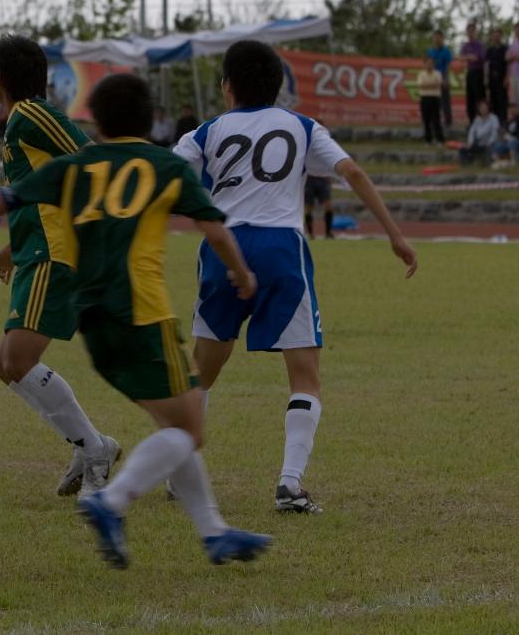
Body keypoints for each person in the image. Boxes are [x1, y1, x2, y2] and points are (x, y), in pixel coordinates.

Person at [0, 73, 272, 570]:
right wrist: (242, 274)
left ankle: (213, 532)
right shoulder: (165, 165)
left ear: (96, 122)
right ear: (150, 119)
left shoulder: (76, 167)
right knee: (188, 428)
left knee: (175, 423)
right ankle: (112, 500)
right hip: (143, 314)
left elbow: (0, 200)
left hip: (92, 320)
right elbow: (214, 227)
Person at [175, 40, 417, 514]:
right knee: (305, 375)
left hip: (222, 246)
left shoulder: (206, 132)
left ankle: (175, 466)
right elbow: (354, 173)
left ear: (227, 85)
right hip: (281, 248)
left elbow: (163, 175)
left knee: (203, 370)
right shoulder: (302, 126)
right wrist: (395, 235)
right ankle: (289, 483)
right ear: (280, 86)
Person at [0, 35, 120, 498]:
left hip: (54, 253)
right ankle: (88, 445)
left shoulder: (30, 113)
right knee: (7, 364)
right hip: (36, 250)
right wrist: (12, 247)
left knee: (16, 360)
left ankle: (96, 448)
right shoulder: (19, 124)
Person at [459, 100, 501, 166]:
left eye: (484, 107)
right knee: (463, 148)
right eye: (481, 108)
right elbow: (471, 132)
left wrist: (489, 142)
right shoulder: (477, 119)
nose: (483, 109)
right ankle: (466, 164)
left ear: (488, 108)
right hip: (478, 143)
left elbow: (495, 132)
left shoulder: (494, 118)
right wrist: (470, 142)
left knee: (491, 149)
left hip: (489, 144)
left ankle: (488, 163)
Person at [415, 56, 445, 145]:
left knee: (436, 120)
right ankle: (428, 139)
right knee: (426, 120)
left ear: (434, 64)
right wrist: (433, 84)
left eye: (431, 63)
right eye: (427, 63)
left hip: (435, 98)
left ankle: (440, 139)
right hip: (424, 98)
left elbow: (439, 84)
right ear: (424, 64)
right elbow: (421, 85)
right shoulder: (421, 74)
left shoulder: (438, 73)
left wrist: (427, 85)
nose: (429, 65)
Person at [427, 30, 454, 130]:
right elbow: (428, 65)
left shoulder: (446, 51)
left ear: (442, 38)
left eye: (439, 37)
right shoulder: (430, 51)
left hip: (443, 78)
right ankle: (433, 121)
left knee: (445, 101)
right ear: (433, 39)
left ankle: (448, 121)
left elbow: (448, 66)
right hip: (433, 79)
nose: (437, 39)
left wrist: (446, 79)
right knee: (433, 101)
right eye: (435, 37)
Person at [461, 22, 485, 124]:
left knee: (478, 97)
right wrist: (470, 57)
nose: (470, 33)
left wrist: (469, 57)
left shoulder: (479, 44)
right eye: (468, 31)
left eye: (472, 31)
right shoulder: (466, 45)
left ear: (475, 32)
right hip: (469, 73)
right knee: (469, 98)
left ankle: (482, 120)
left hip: (478, 73)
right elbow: (462, 57)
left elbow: (479, 58)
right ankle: (472, 122)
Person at [485, 27, 509, 123]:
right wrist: (486, 78)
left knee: (502, 100)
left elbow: (508, 64)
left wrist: (506, 77)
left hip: (502, 78)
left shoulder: (505, 48)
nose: (496, 37)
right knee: (493, 100)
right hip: (491, 79)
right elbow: (486, 65)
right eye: (494, 35)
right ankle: (494, 122)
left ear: (501, 36)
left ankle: (503, 121)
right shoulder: (490, 50)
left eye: (498, 35)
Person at [302, 176, 334, 240]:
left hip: (322, 178)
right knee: (308, 208)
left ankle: (328, 233)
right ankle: (310, 234)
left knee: (328, 206)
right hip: (309, 179)